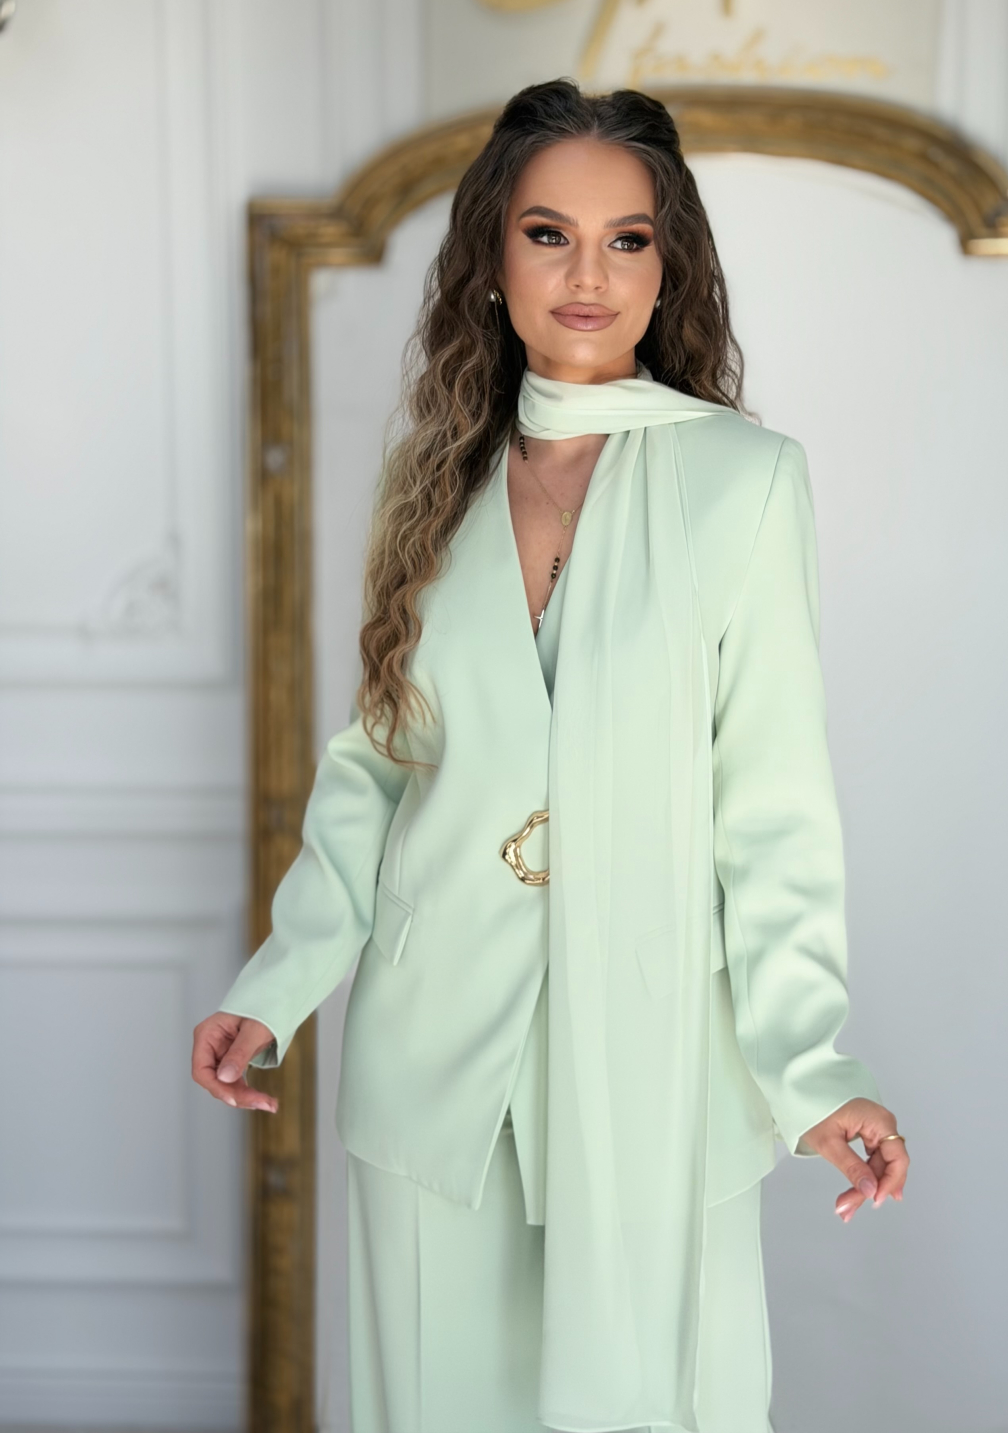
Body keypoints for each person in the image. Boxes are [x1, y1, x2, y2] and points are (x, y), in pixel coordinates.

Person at [191, 77, 910, 1433]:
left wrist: (810, 1068)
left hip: (653, 1054)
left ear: (667, 265)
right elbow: (378, 763)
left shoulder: (746, 481)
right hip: (431, 1061)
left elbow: (773, 810)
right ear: (491, 257)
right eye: (547, 234)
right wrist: (280, 981)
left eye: (627, 238)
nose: (589, 274)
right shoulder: (431, 478)